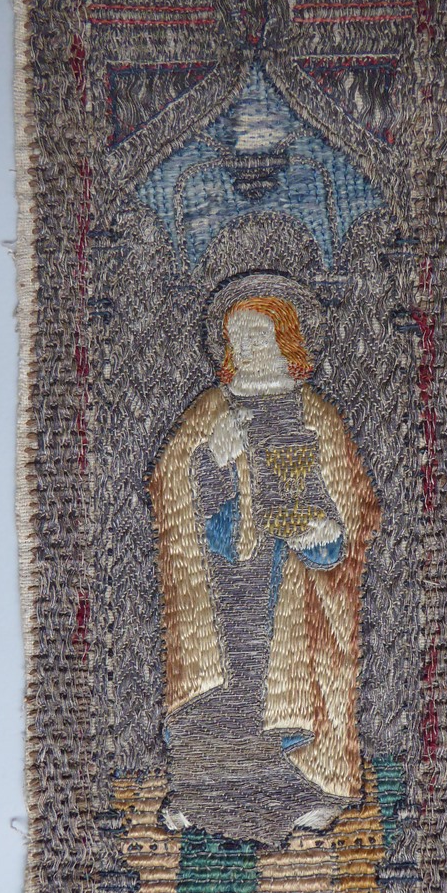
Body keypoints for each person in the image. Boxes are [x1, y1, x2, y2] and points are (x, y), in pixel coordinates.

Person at [149, 290, 380, 846]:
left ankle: (308, 792)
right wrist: (211, 459)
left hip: (292, 577)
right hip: (221, 575)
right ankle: (202, 794)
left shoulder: (315, 414)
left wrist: (326, 534)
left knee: (288, 678)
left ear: (285, 338)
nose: (247, 346)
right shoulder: (212, 408)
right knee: (227, 683)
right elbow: (169, 484)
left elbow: (355, 501)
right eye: (237, 338)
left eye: (257, 334)